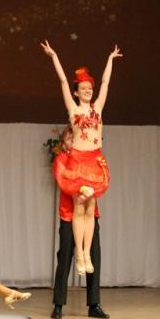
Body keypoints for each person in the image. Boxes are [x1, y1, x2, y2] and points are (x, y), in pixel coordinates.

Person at [40, 40, 121, 276]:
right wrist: (54, 56)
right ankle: (80, 255)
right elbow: (63, 82)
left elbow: (106, 83)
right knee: (78, 207)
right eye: (83, 88)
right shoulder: (74, 110)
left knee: (90, 208)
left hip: (95, 161)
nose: (87, 90)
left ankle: (86, 252)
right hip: (78, 161)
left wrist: (110, 59)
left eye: (89, 88)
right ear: (76, 92)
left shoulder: (98, 109)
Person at [50, 127, 109, 319]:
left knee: (94, 257)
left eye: (74, 138)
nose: (73, 142)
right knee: (65, 257)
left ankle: (94, 304)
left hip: (90, 216)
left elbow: (101, 178)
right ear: (63, 143)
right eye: (69, 139)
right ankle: (58, 304)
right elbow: (63, 182)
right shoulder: (61, 159)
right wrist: (81, 189)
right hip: (69, 215)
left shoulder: (90, 159)